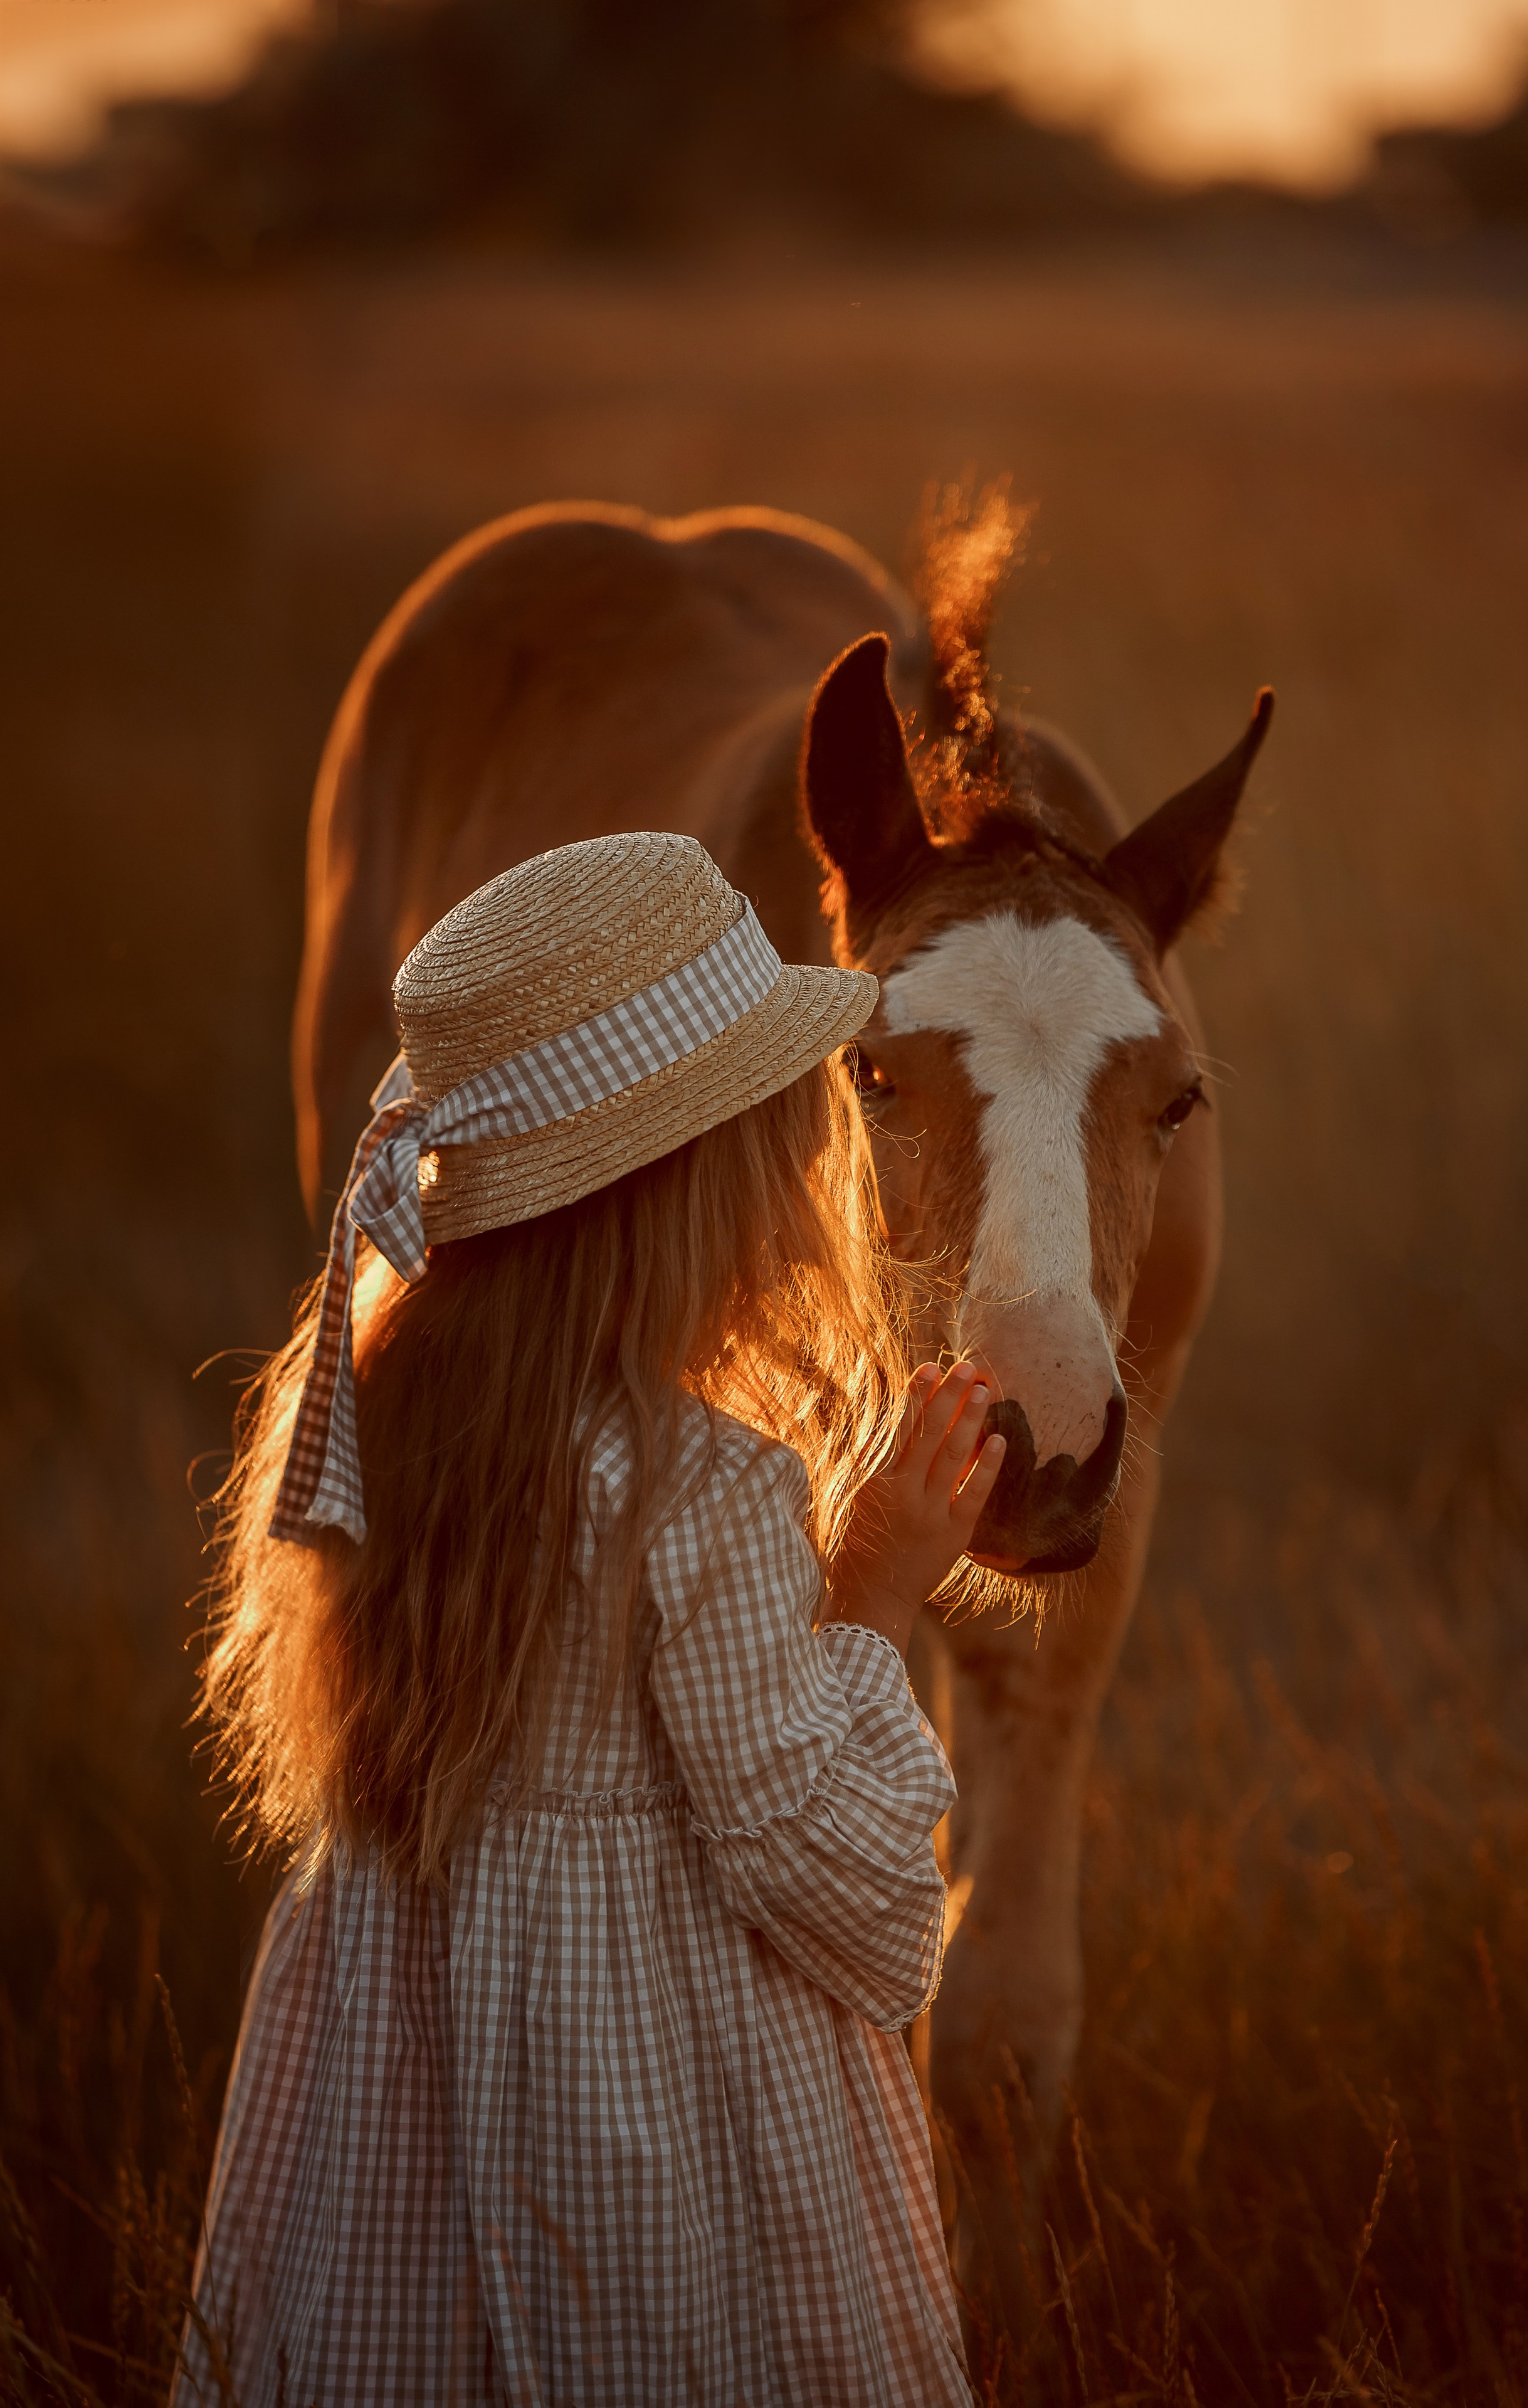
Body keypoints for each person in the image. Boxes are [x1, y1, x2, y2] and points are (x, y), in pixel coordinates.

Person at [177, 831, 1004, 2408]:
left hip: (398, 2076)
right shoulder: (702, 1490)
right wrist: (877, 1596)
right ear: (705, 1185)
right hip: (646, 2086)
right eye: (783, 1138)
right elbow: (854, 1902)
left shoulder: (382, 1428)